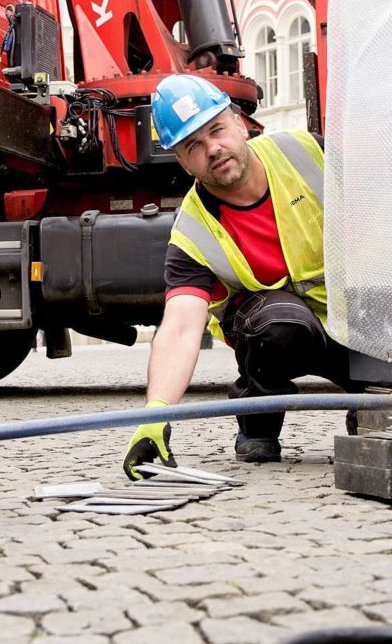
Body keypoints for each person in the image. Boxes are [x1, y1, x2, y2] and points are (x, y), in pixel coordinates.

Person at [123, 74, 356, 479]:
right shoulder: (192, 233)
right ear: (180, 159)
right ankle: (258, 418)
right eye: (193, 145)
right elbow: (180, 327)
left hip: (357, 324)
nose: (213, 149)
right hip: (286, 335)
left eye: (216, 130)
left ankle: (372, 399)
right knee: (276, 323)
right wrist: (155, 414)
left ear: (239, 122)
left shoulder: (305, 152)